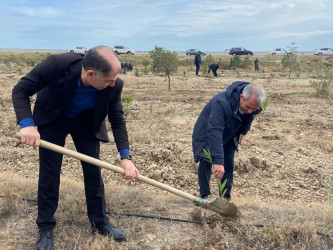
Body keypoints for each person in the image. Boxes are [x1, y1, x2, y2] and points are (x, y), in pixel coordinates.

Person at [12, 46, 140, 249]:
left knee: (93, 171)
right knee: (49, 173)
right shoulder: (57, 64)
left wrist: (126, 156)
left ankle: (100, 223)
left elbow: (116, 118)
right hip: (53, 118)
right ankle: (45, 226)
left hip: (86, 122)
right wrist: (27, 125)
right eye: (108, 81)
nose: (113, 84)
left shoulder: (114, 85)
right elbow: (20, 90)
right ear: (91, 74)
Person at [192, 81, 266, 201]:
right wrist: (218, 161)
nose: (249, 111)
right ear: (241, 97)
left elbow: (250, 116)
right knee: (206, 160)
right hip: (207, 132)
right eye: (248, 107)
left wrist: (243, 131)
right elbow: (215, 131)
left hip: (230, 131)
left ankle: (224, 198)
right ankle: (204, 194)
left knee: (228, 163)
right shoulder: (221, 103)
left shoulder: (250, 106)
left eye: (254, 109)